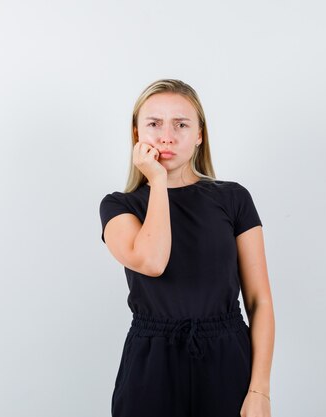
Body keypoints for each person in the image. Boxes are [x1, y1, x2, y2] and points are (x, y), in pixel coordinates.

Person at [99, 79, 274, 417]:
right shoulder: (119, 206)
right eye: (154, 124)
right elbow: (152, 261)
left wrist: (260, 391)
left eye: (181, 124)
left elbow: (259, 300)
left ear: (199, 135)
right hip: (152, 364)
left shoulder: (233, 199)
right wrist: (158, 181)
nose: (167, 135)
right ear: (136, 134)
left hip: (227, 357)